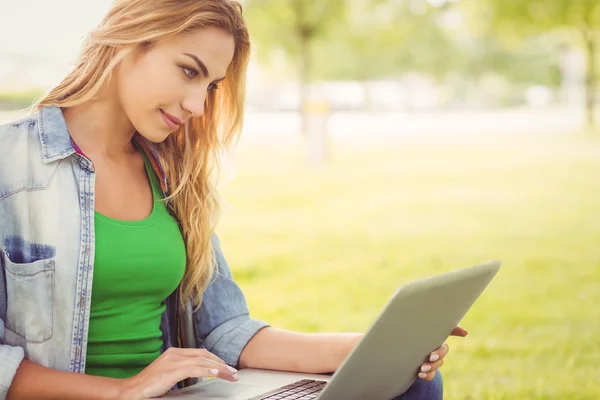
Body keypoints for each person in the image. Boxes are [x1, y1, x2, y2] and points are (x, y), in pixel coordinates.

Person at [0, 1, 467, 399]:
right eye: (188, 71)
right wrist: (124, 390)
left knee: (413, 383)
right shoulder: (10, 164)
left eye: (211, 86)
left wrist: (372, 347)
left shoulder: (173, 174)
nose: (197, 106)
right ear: (128, 40)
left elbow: (225, 330)